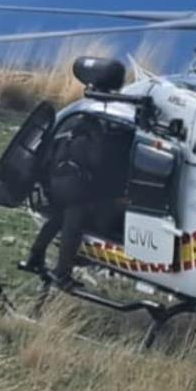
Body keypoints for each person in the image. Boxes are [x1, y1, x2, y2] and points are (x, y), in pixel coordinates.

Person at [23, 112, 128, 287]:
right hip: (77, 190)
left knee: (58, 218)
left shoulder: (66, 134)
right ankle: (62, 272)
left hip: (59, 187)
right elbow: (98, 163)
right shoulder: (90, 140)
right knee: (73, 225)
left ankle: (36, 255)